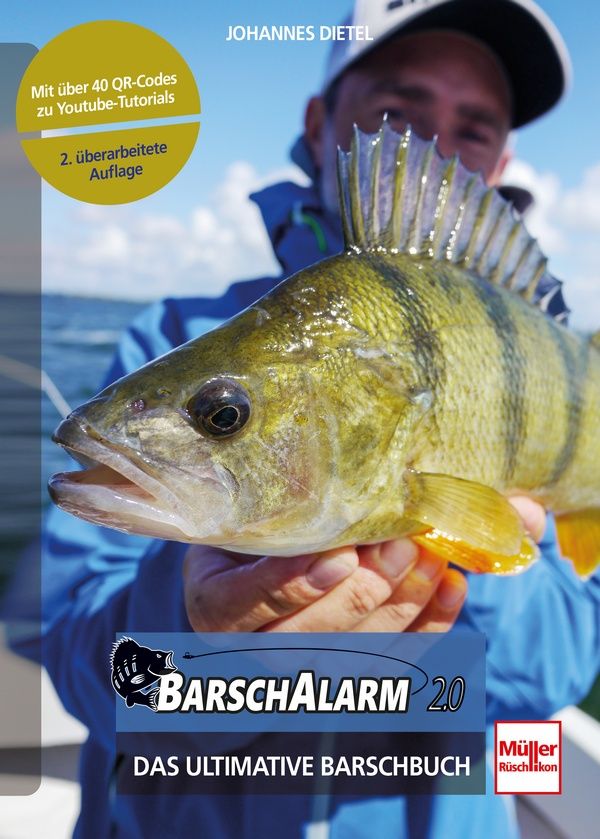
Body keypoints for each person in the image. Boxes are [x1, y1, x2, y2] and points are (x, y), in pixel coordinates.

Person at [22, 1, 600, 837]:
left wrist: (461, 568)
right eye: (397, 112)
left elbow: (554, 675)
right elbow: (72, 647)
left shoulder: (562, 366)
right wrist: (202, 643)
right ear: (320, 122)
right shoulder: (171, 336)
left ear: (502, 159)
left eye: (473, 127)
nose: (433, 145)